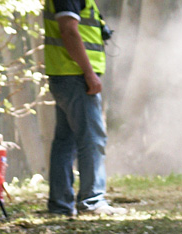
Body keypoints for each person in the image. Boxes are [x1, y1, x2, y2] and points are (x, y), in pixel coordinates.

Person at [43, 0, 125, 216]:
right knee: (91, 138)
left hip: (66, 74)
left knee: (65, 141)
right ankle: (92, 200)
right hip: (75, 76)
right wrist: (89, 73)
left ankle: (60, 205)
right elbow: (69, 31)